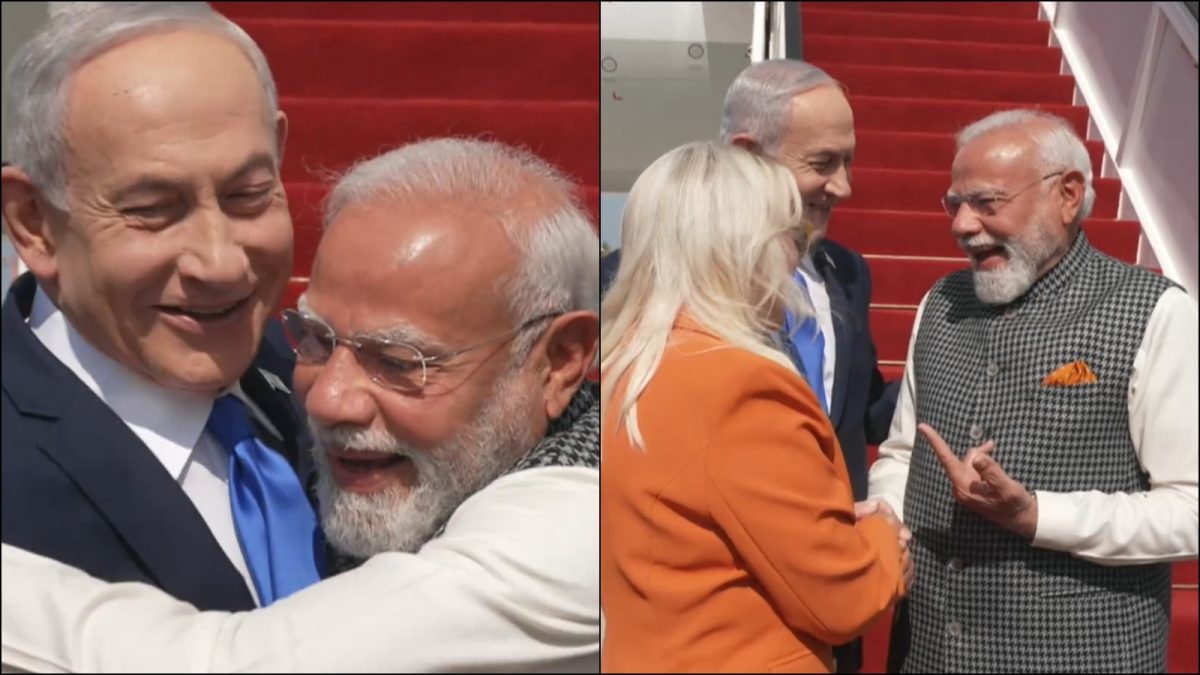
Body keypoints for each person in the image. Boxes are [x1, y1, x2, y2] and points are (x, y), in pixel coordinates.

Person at [1, 137, 602, 672]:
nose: (330, 400)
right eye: (315, 338)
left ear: (559, 362)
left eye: (399, 363)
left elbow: (223, 664)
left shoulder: (581, 529)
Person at [0, 1, 320, 611]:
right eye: (152, 210)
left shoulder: (316, 379)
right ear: (34, 222)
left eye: (249, 195)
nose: (221, 262)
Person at [868, 109, 1198, 672]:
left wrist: (1038, 515)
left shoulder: (1156, 314)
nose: (962, 226)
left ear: (1068, 195)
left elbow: (1190, 508)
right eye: (955, 204)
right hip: (925, 652)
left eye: (987, 202)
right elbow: (904, 453)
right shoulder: (940, 304)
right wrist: (886, 511)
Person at [600, 140, 911, 673]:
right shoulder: (742, 385)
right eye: (792, 237)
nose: (797, 257)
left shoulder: (625, 361)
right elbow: (847, 597)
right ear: (748, 247)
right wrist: (882, 534)